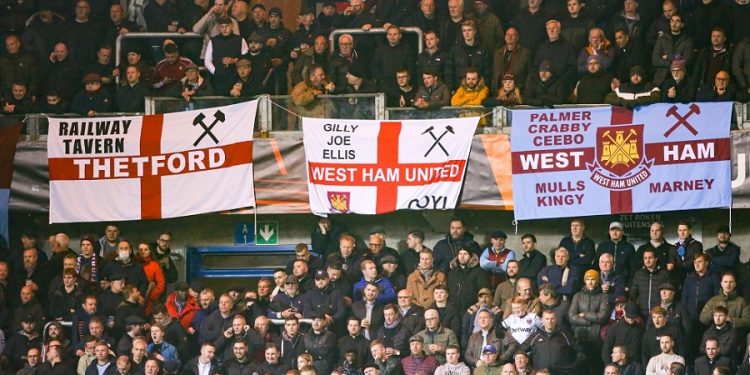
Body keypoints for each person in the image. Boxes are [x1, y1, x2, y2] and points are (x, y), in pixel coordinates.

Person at [521, 309, 585, 375]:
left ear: (556, 319)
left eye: (552, 319)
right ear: (542, 320)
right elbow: (521, 351)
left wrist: (572, 367)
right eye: (547, 319)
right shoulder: (535, 336)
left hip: (561, 373)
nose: (550, 321)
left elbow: (581, 352)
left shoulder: (565, 335)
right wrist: (530, 368)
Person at [445, 20, 491, 90]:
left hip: (479, 90)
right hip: (459, 89)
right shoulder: (454, 50)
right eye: (464, 31)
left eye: (469, 30)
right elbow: (449, 72)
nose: (467, 33)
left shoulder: (483, 50)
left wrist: (484, 88)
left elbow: (487, 72)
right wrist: (451, 89)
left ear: (474, 32)